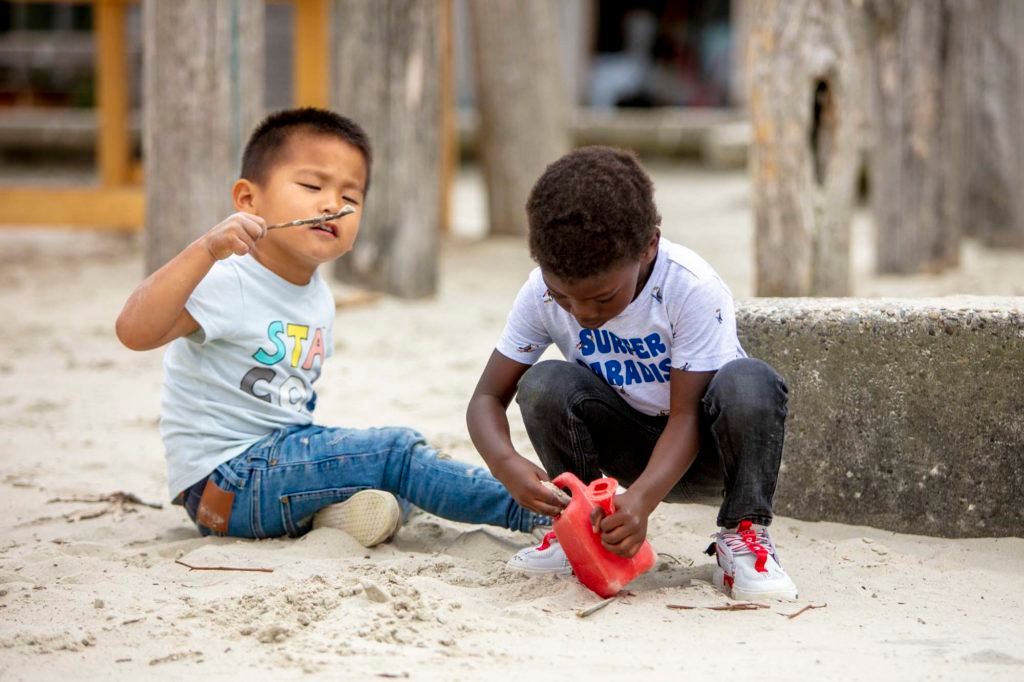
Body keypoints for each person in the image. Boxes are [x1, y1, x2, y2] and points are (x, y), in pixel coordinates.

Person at [116, 107, 545, 546]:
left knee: (395, 478)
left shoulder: (317, 294)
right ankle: (533, 512)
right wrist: (205, 249)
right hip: (227, 482)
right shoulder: (229, 278)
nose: (331, 205)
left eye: (350, 198)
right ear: (248, 201)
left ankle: (333, 516)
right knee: (396, 454)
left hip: (273, 472)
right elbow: (133, 331)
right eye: (311, 185)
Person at [466, 146, 797, 600]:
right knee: (545, 383)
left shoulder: (689, 287)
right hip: (628, 447)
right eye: (565, 298)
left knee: (749, 382)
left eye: (602, 298)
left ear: (649, 247)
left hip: (707, 450)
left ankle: (744, 536)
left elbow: (685, 418)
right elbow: (485, 399)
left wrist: (641, 501)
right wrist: (504, 465)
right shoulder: (541, 293)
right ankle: (579, 528)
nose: (582, 314)